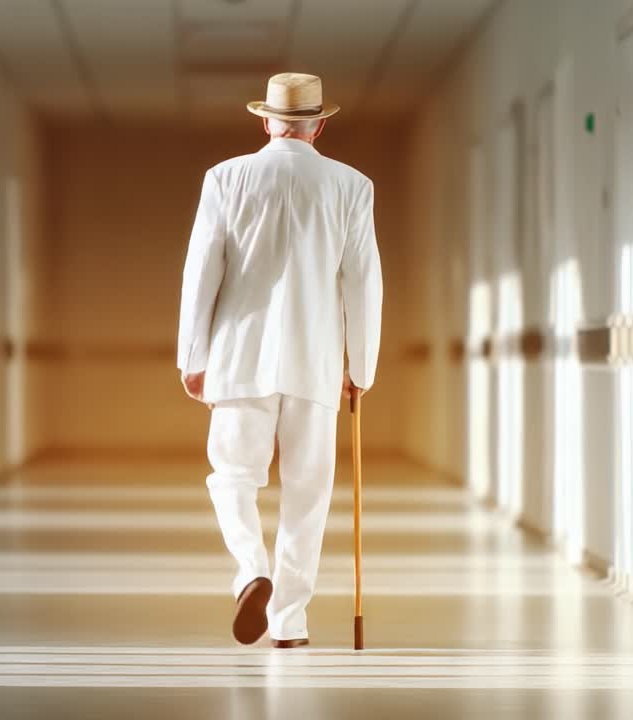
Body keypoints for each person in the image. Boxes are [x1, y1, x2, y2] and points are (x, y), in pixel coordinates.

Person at [176, 72, 384, 649]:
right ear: (319, 125)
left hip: (241, 357)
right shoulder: (352, 186)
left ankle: (251, 570)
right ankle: (289, 622)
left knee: (233, 477)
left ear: (266, 121)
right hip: (316, 361)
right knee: (307, 490)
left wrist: (192, 355)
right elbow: (364, 283)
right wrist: (360, 367)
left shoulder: (226, 179)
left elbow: (202, 275)